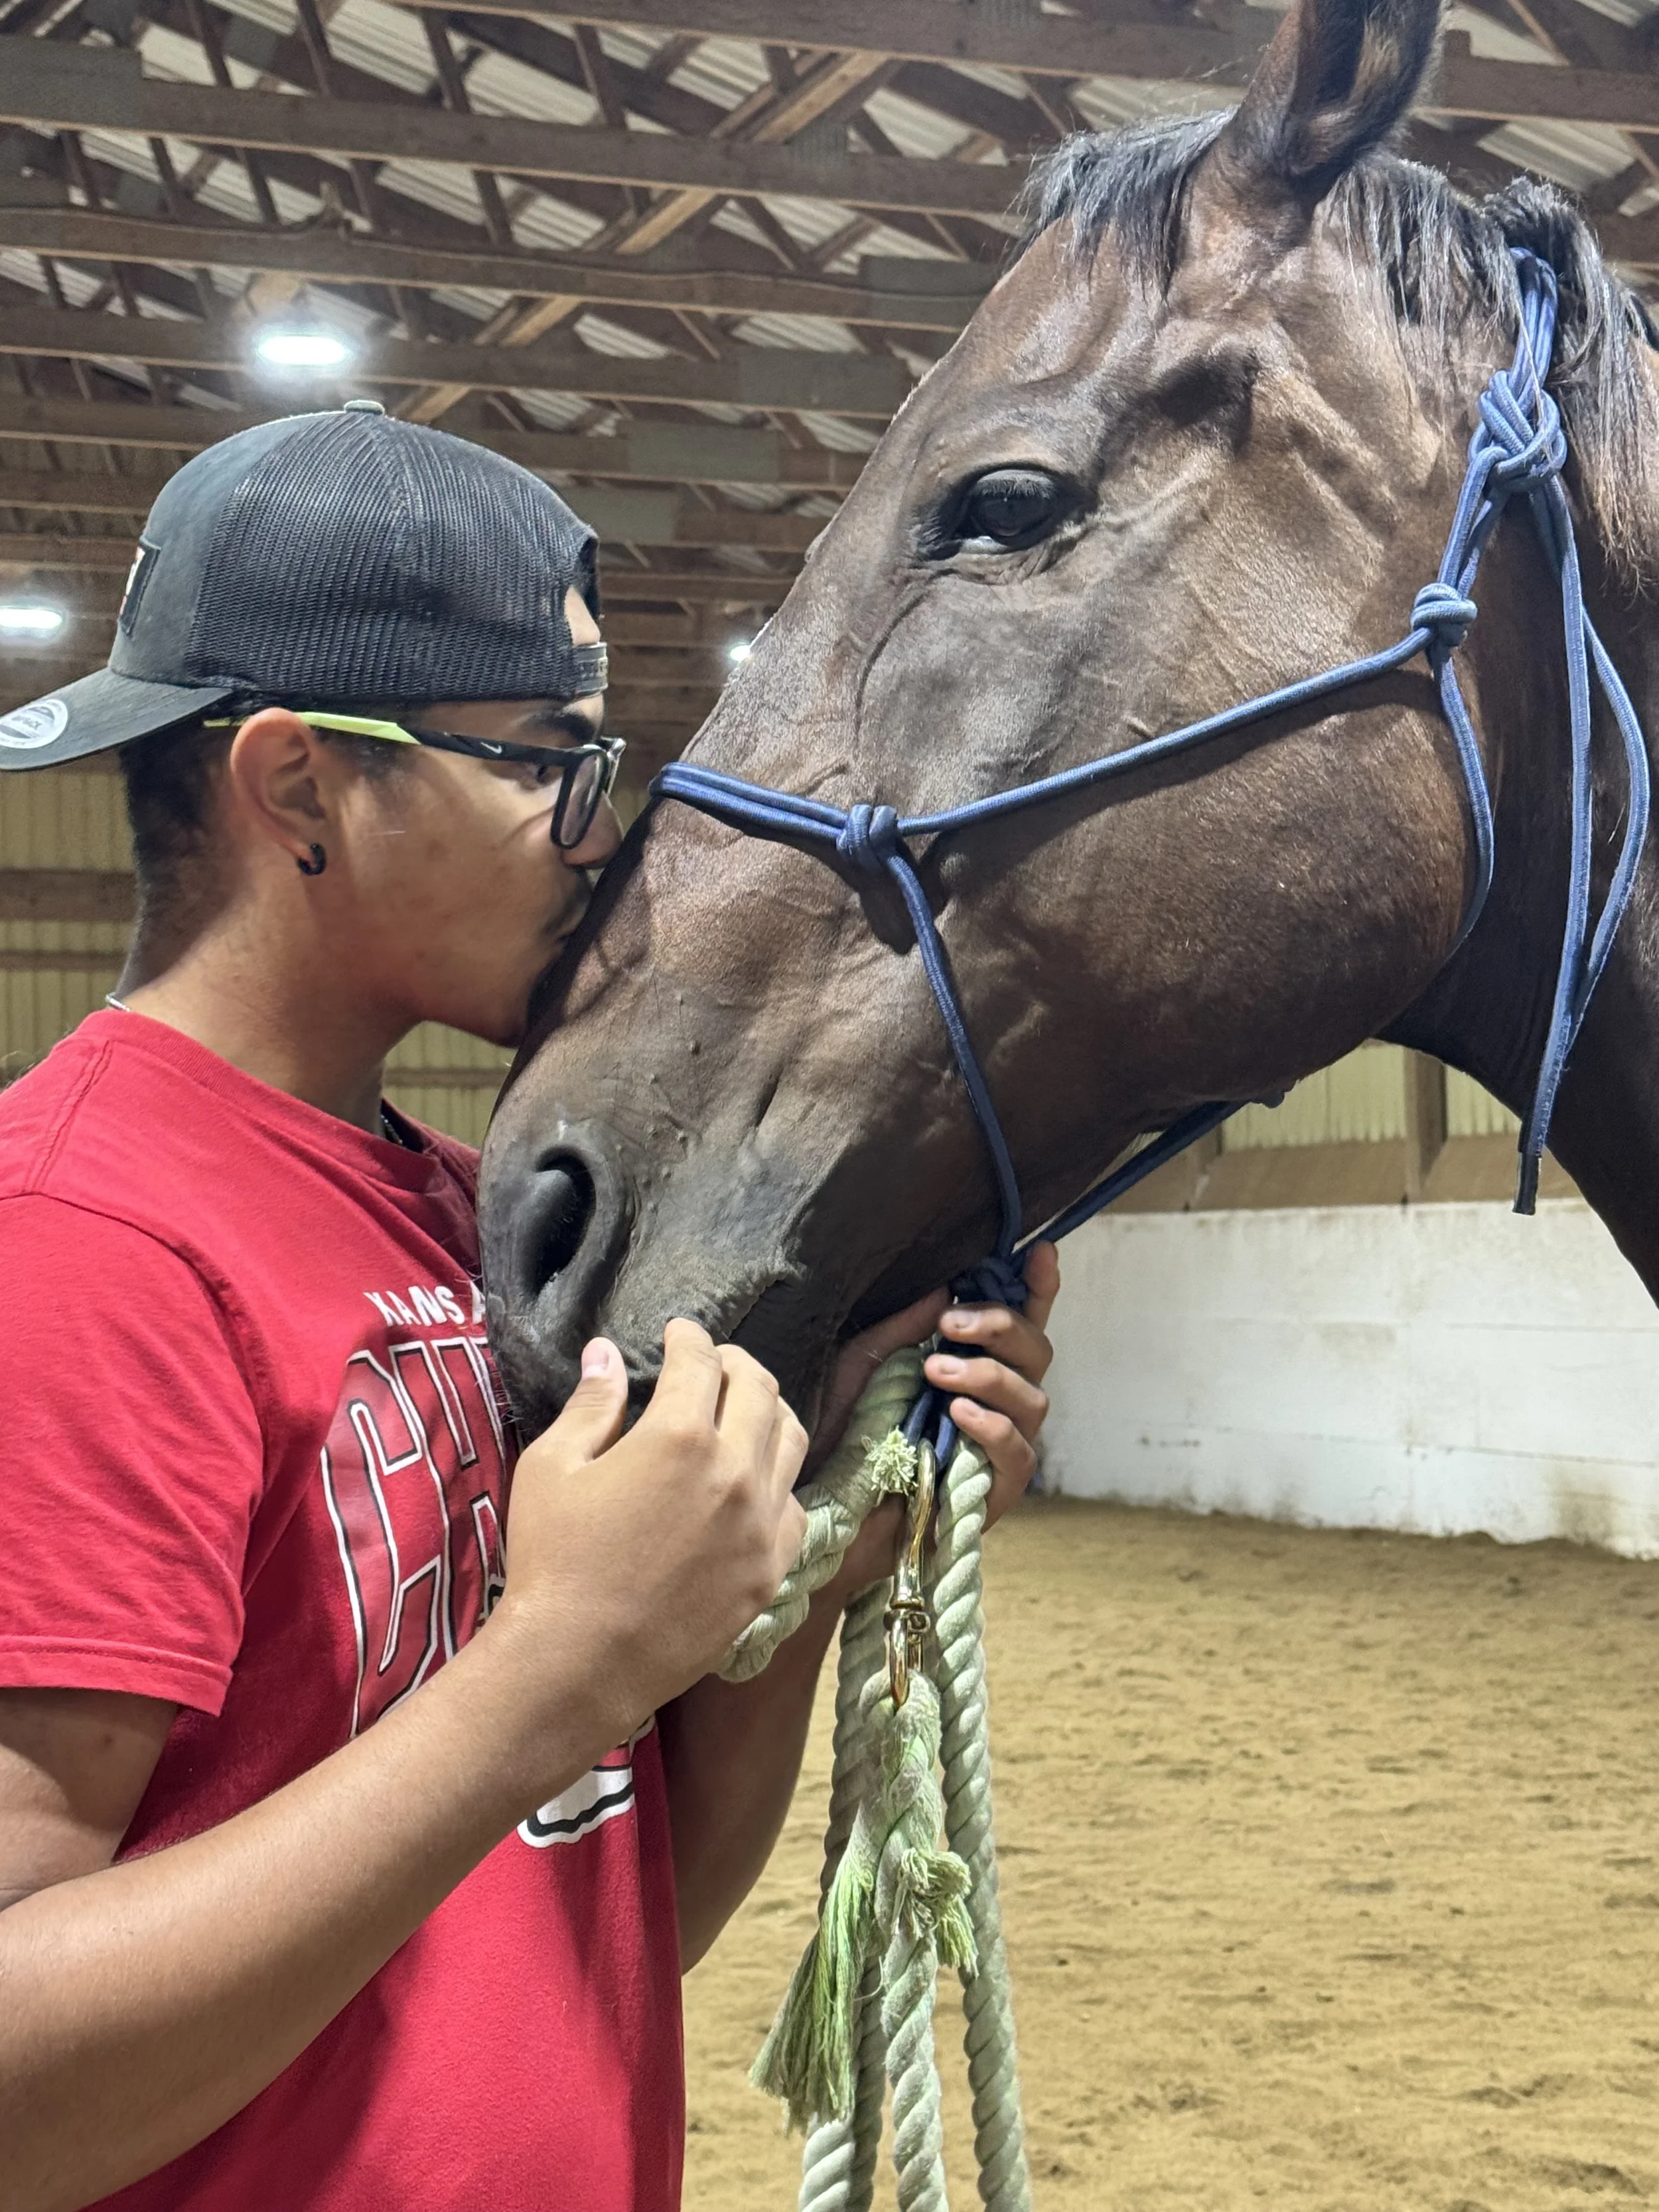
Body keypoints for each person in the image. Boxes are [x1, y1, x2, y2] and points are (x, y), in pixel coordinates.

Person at [0, 404, 1060, 2212]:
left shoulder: (455, 1208)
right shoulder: (79, 1240)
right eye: (546, 758)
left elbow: (611, 1905)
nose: (601, 834)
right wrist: (560, 1654)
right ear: (299, 788)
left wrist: (810, 1540)